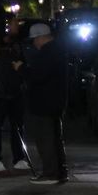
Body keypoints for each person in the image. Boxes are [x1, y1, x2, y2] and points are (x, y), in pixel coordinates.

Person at [12, 22, 67, 185]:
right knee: (55, 138)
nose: (34, 44)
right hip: (55, 102)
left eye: (35, 40)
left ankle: (51, 173)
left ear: (42, 38)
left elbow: (38, 76)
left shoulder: (47, 53)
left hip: (45, 103)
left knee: (45, 139)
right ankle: (59, 172)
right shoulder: (58, 50)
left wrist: (21, 68)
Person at [0, 17, 31, 172]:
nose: (16, 27)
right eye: (12, 25)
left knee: (18, 126)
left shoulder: (19, 45)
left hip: (16, 92)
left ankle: (19, 158)